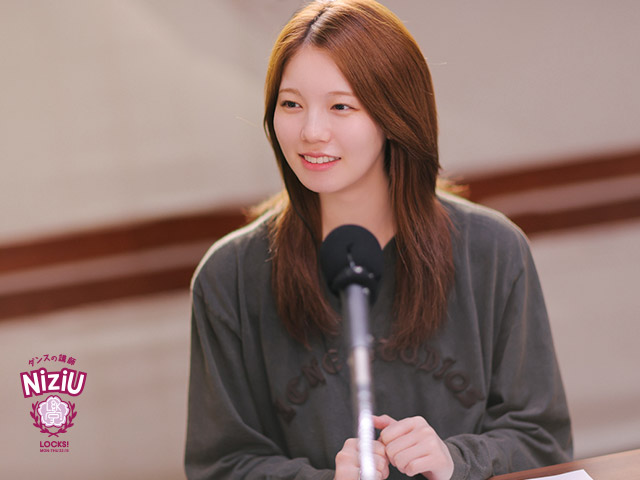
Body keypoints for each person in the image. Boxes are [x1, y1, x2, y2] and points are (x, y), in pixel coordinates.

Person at [184, 1, 573, 479]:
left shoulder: (493, 252)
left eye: (341, 106)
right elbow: (221, 465)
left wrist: (456, 460)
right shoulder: (229, 277)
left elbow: (543, 441)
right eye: (291, 104)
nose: (311, 131)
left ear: (394, 115)